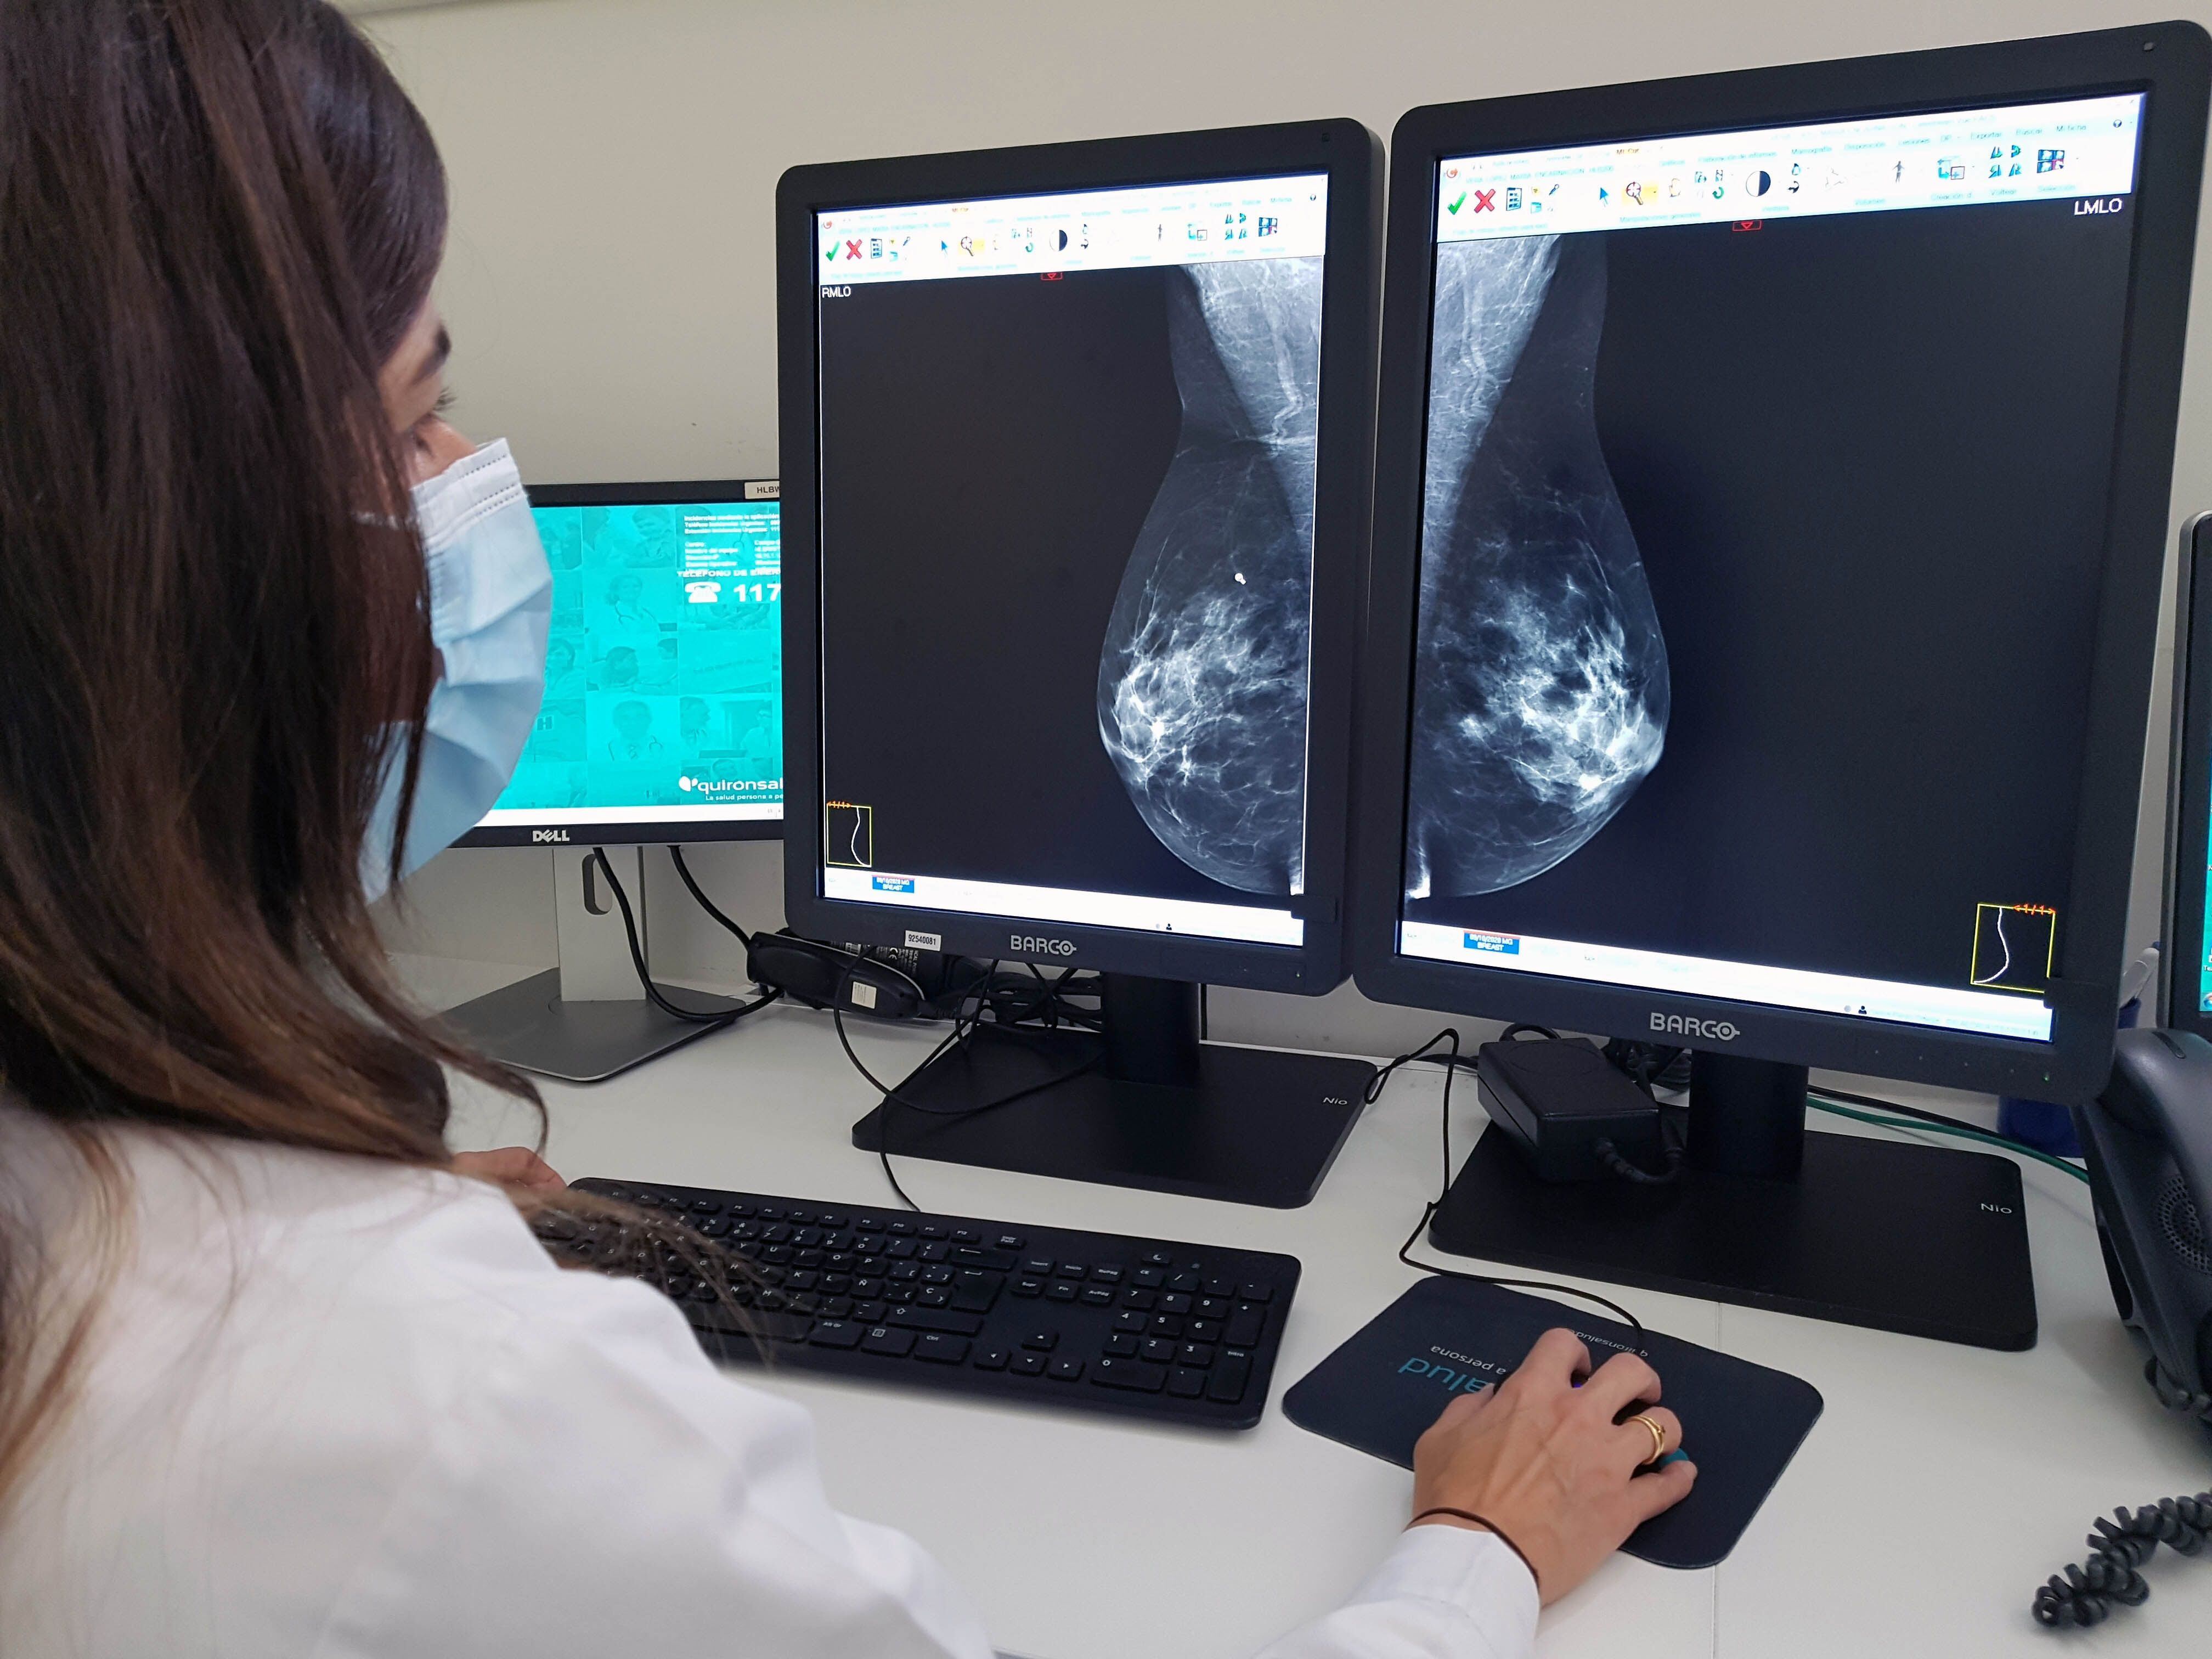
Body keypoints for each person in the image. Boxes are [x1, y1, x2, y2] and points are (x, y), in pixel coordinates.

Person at [0, 5, 1692, 1656]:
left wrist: (341, 1243)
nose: (466, 474)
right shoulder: (439, 1400)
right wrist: (1478, 1556)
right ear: (181, 579)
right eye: (410, 421)